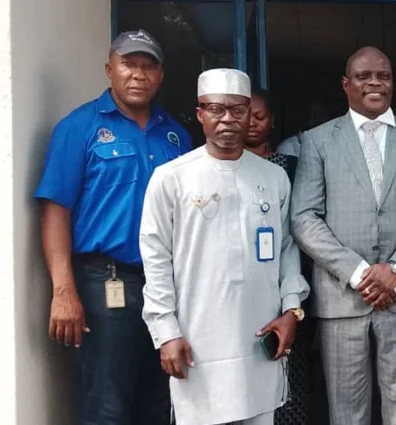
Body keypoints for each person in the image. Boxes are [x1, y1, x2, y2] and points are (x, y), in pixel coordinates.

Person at [34, 29, 190, 424]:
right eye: (128, 64)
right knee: (107, 403)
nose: (138, 74)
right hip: (106, 284)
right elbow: (56, 211)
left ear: (160, 75)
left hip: (167, 287)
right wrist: (63, 291)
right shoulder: (80, 127)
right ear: (109, 69)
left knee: (161, 399)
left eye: (148, 66)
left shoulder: (177, 135)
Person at [139, 68, 309, 425]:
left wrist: (292, 310)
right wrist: (166, 332)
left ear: (249, 114)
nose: (228, 119)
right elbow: (155, 260)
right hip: (197, 344)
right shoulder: (171, 178)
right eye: (216, 109)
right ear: (200, 114)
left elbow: (287, 249)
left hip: (260, 340)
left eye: (238, 109)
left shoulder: (273, 177)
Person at [291, 46, 396, 425]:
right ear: (347, 85)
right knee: (346, 410)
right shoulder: (318, 141)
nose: (375, 82)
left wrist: (395, 268)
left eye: (384, 75)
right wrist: (359, 271)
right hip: (343, 296)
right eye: (364, 76)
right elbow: (304, 217)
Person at [247, 87, 311, 425]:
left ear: (272, 122)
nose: (253, 124)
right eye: (248, 115)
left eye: (261, 117)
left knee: (289, 377)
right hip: (243, 291)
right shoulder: (221, 169)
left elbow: (298, 230)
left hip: (289, 285)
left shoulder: (289, 167)